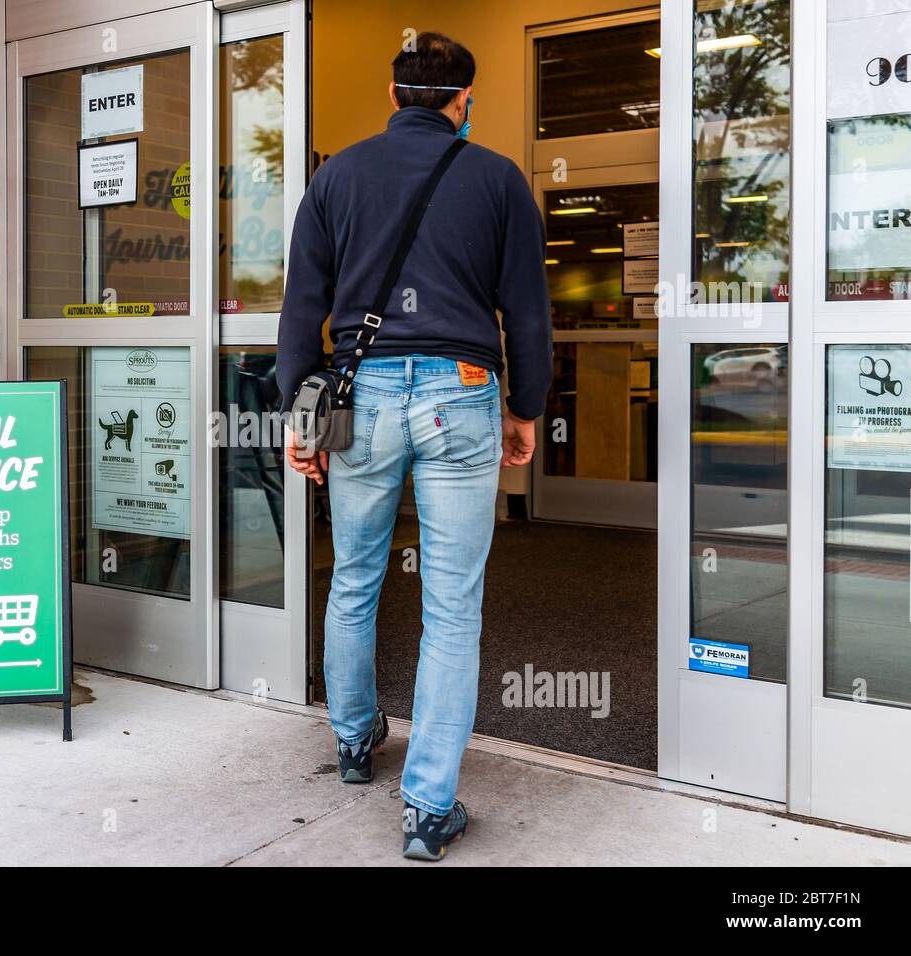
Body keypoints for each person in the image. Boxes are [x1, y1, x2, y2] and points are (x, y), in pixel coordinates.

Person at [276, 32, 552, 861]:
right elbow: (527, 312)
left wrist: (302, 413)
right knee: (452, 604)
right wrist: (528, 407)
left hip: (360, 399)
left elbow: (301, 310)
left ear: (394, 98)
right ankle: (428, 807)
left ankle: (355, 742)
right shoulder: (499, 178)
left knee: (355, 574)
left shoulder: (337, 177)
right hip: (461, 393)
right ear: (463, 103)